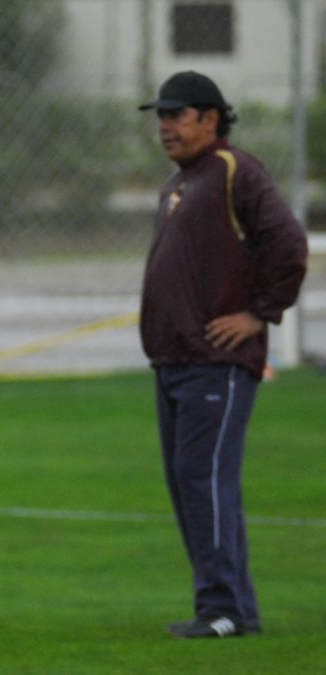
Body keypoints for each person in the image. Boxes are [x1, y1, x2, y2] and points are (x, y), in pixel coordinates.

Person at [138, 71, 307, 639]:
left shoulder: (237, 171)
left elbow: (288, 244)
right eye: (160, 115)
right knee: (191, 482)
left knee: (203, 479)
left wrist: (260, 314)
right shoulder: (181, 182)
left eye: (176, 115)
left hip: (215, 362)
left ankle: (224, 610)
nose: (164, 126)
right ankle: (229, 606)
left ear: (210, 118)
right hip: (174, 359)